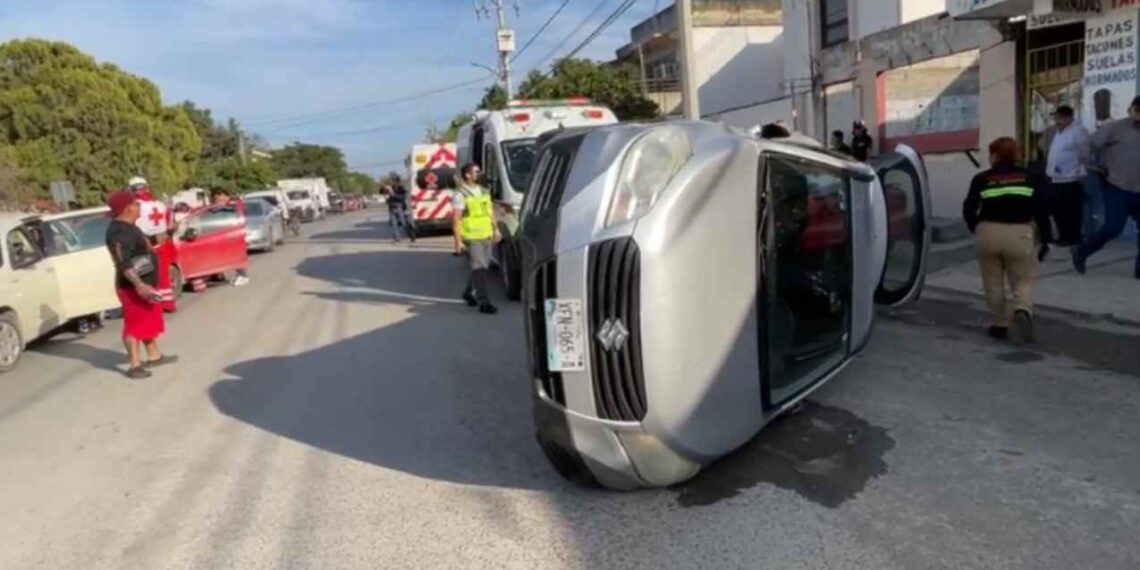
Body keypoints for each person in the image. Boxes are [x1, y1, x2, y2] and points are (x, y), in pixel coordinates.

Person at [962, 137, 1052, 343]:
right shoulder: (1031, 177)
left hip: (987, 232)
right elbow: (1041, 211)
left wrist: (976, 227)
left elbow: (968, 208)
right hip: (1019, 233)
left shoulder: (982, 178)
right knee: (1024, 279)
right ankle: (1022, 308)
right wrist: (1046, 239)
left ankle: (999, 325)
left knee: (992, 282)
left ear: (994, 155)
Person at [105, 191, 177, 379]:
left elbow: (148, 243)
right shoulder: (118, 232)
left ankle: (154, 356)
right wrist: (139, 285)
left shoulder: (131, 227)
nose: (139, 207)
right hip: (132, 287)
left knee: (147, 321)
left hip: (145, 282)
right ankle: (134, 365)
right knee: (134, 325)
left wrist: (170, 232)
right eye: (136, 204)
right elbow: (124, 263)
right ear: (127, 208)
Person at [1072, 95, 1140, 279]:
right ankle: (1082, 251)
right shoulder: (1116, 128)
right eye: (1137, 110)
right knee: (1113, 228)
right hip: (1118, 186)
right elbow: (1088, 144)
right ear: (1132, 109)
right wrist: (1092, 165)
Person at [1036, 105, 1090, 247]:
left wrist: (1081, 171)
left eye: (1058, 118)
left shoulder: (1079, 131)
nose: (1056, 121)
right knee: (1058, 209)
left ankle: (1073, 237)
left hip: (1071, 177)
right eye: (1055, 118)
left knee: (1071, 210)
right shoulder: (1059, 131)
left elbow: (1084, 154)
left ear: (1067, 117)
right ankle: (1063, 235)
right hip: (1055, 177)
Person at [452, 162, 500, 315]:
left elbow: (490, 211)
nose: (480, 174)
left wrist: (496, 229)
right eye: (477, 172)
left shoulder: (484, 191)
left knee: (481, 267)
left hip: (486, 234)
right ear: (467, 175)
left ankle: (468, 292)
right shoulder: (460, 194)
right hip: (472, 236)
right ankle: (484, 302)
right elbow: (456, 219)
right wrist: (458, 241)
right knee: (480, 269)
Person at [128, 177, 177, 312]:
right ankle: (168, 304)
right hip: (163, 243)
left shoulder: (134, 206)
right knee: (164, 275)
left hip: (145, 245)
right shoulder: (160, 205)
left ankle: (154, 305)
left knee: (148, 276)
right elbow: (171, 224)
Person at [210, 188, 250, 286]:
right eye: (216, 199)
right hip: (224, 235)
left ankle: (243, 276)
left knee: (236, 255)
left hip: (232, 234)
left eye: (219, 198)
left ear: (225, 196)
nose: (218, 201)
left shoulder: (232, 205)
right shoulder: (222, 207)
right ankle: (237, 275)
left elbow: (242, 213)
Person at [386, 176, 416, 243]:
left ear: (397, 182)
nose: (391, 183)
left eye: (393, 181)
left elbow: (401, 198)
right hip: (391, 207)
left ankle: (411, 234)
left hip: (399, 207)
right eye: (391, 182)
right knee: (394, 224)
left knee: (403, 223)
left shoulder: (401, 188)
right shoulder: (390, 188)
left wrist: (392, 193)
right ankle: (397, 237)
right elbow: (381, 191)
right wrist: (385, 189)